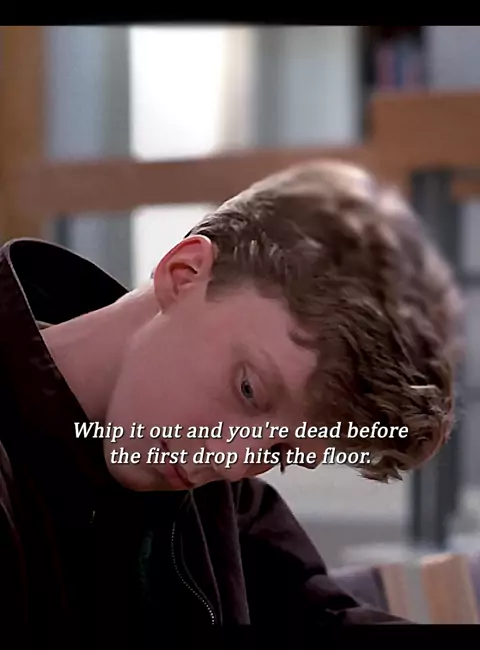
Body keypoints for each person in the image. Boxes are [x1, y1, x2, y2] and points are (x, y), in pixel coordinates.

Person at [0, 160, 460, 645]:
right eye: (248, 390)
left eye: (281, 451)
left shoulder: (229, 504)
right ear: (184, 274)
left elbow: (322, 621)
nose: (233, 461)